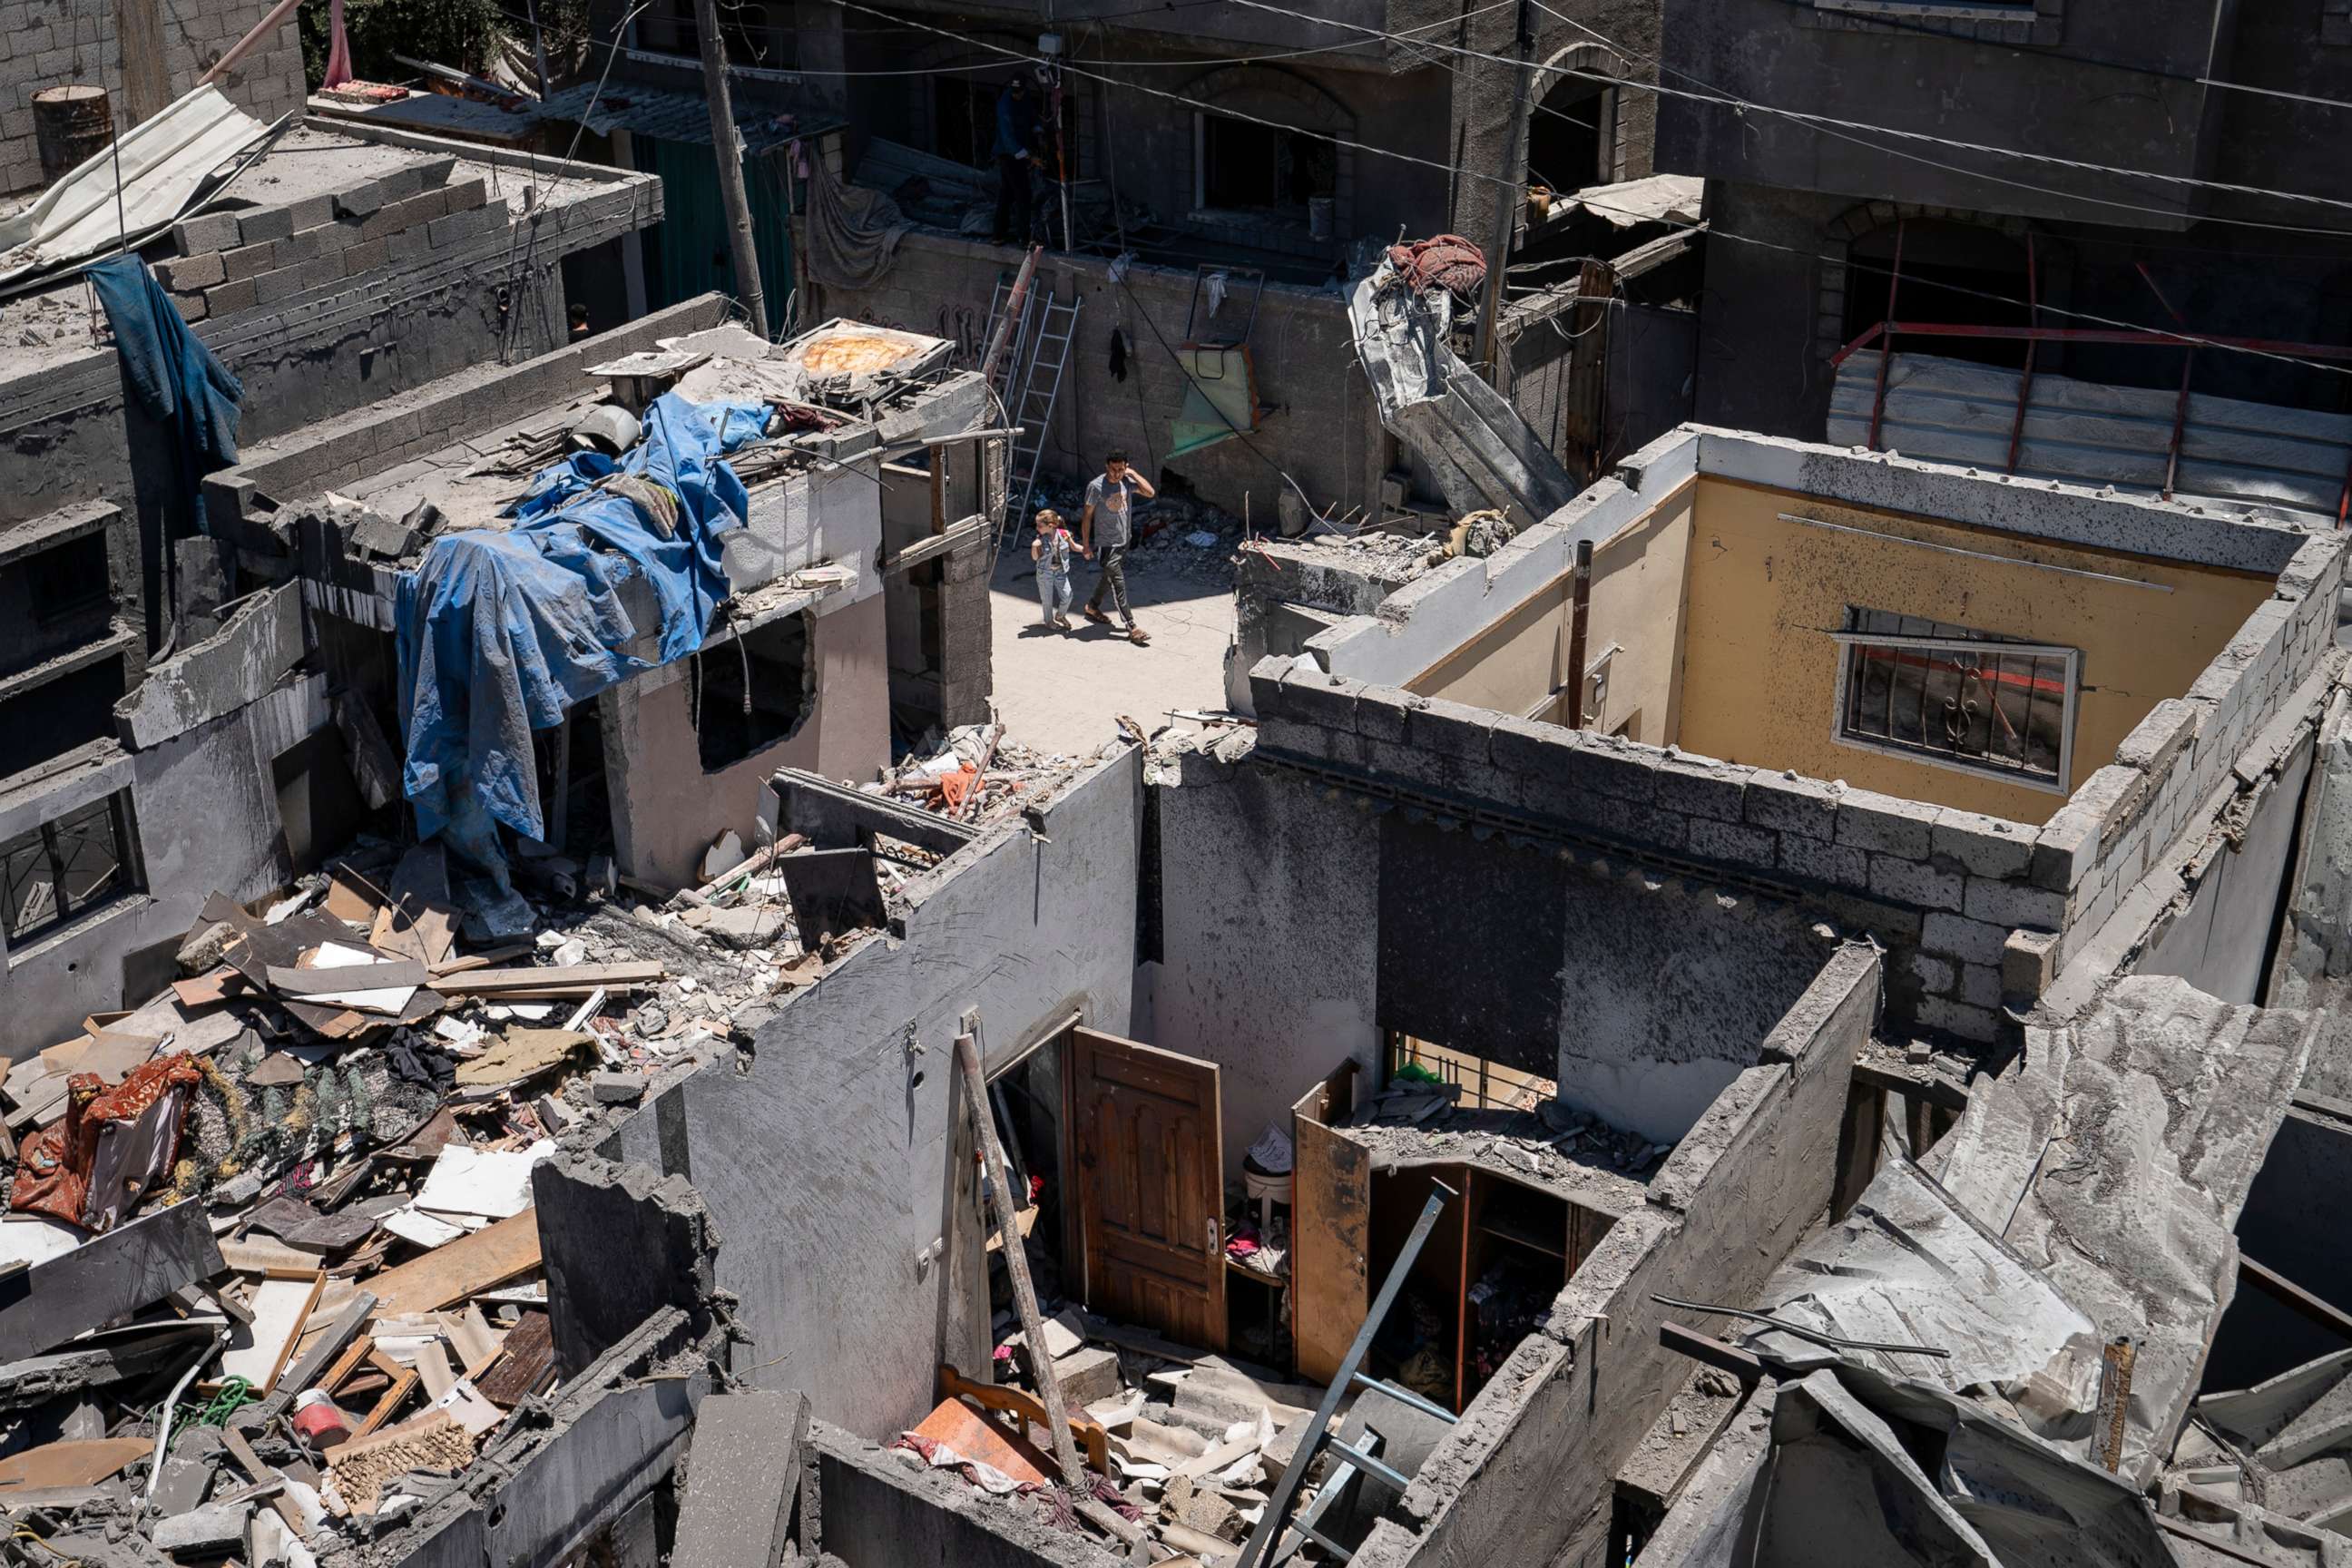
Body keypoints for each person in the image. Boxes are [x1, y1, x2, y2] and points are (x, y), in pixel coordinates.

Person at [1080, 448, 1153, 644]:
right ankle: (1132, 626)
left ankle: (1092, 607)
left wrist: (1134, 474)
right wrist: (1086, 545)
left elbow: (1150, 492)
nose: (1116, 474)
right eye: (1113, 469)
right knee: (1118, 582)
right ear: (1107, 467)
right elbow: (1087, 517)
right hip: (1106, 545)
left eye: (1121, 469)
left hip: (1124, 541)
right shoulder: (1096, 487)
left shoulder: (1126, 483)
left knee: (1108, 577)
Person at [992, 74, 1043, 246]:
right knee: (1023, 194)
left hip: (1021, 148)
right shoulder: (1005, 105)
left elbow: (1032, 114)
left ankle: (998, 234)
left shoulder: (1025, 97)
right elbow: (1007, 137)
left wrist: (1038, 130)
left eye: (1020, 92)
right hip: (1009, 154)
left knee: (1006, 193)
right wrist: (1030, 157)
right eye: (1015, 93)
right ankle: (1024, 237)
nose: (1017, 95)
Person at [1030, 507, 1083, 631]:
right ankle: (1048, 621)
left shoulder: (1064, 534)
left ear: (1051, 525)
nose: (1037, 528)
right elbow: (1035, 558)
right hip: (1045, 573)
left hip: (1060, 571)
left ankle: (1060, 615)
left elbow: (1074, 547)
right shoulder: (1041, 539)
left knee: (1068, 595)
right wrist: (1034, 546)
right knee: (1047, 599)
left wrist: (1086, 550)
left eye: (1040, 525)